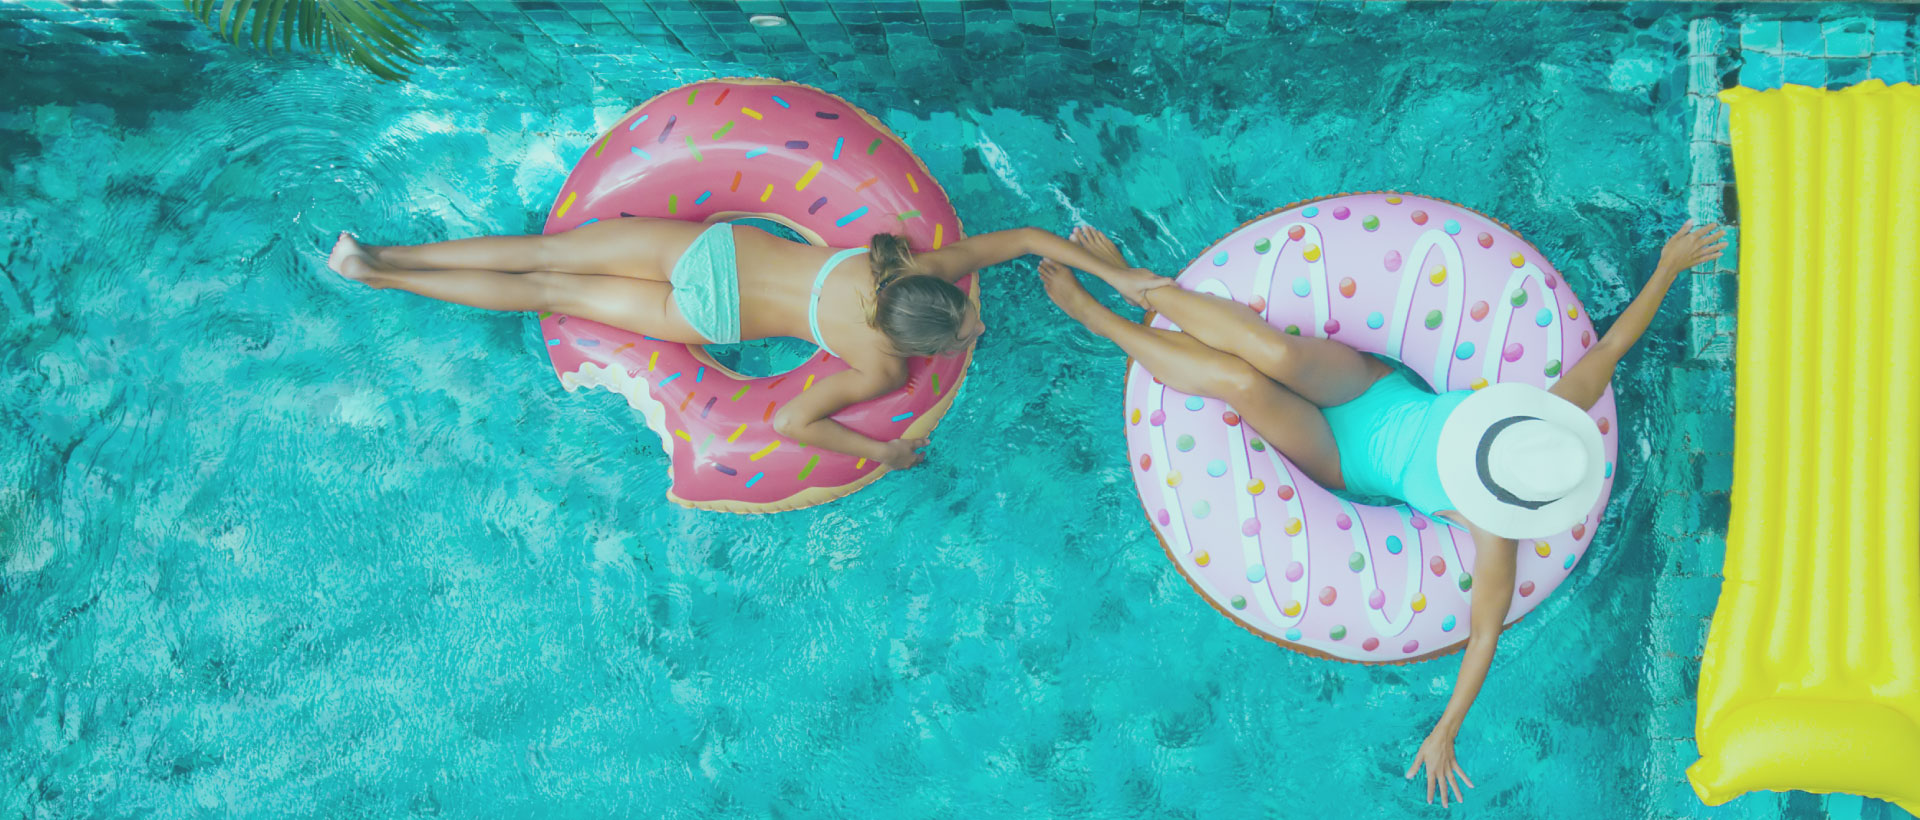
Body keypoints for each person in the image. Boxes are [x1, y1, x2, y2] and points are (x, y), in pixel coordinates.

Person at [1037, 221, 1725, 807]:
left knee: (1244, 382)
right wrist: (1667, 266)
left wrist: (1446, 729)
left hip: (1338, 455)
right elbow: (1609, 349)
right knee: (1274, 351)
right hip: (1369, 388)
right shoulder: (1545, 421)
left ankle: (1098, 318)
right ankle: (1128, 280)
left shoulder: (1495, 531)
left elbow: (1484, 635)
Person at [329, 218, 1159, 469]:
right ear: (924, 346)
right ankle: (383, 277)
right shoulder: (879, 364)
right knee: (550, 293)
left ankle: (379, 257)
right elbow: (792, 422)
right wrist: (883, 452)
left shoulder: (908, 267)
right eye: (970, 328)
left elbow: (1025, 238)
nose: (980, 324)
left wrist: (1115, 275)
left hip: (706, 252)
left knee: (544, 258)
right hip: (706, 316)